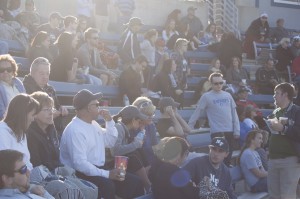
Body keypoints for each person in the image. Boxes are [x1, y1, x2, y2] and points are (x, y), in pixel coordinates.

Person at [60, 89, 144, 199]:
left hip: (97, 169)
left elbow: (110, 142)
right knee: (108, 185)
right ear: (89, 108)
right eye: (97, 104)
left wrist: (109, 121)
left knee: (135, 182)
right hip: (79, 174)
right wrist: (107, 174)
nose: (99, 107)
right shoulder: (75, 130)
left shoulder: (93, 124)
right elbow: (80, 164)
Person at [188, 72, 240, 166]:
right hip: (217, 131)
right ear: (211, 84)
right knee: (217, 158)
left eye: (221, 83)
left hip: (230, 130)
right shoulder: (206, 96)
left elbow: (234, 114)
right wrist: (189, 126)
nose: (219, 85)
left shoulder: (228, 95)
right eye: (216, 83)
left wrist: (237, 130)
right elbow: (197, 112)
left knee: (228, 157)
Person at [267, 82, 300, 199]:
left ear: (285, 95)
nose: (274, 96)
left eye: (276, 93)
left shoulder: (297, 111)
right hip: (273, 159)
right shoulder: (275, 112)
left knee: (287, 196)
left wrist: (283, 128)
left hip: (290, 160)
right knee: (274, 196)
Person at [23, 57, 68, 135]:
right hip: (34, 133)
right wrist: (51, 114)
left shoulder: (50, 89)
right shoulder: (24, 89)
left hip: (54, 130)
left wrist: (61, 109)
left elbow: (57, 106)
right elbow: (30, 115)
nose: (45, 77)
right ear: (32, 73)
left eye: (47, 73)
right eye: (42, 73)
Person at [111, 105, 151, 193]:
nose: (140, 123)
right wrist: (135, 144)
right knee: (133, 156)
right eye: (139, 121)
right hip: (110, 162)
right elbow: (115, 151)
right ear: (133, 120)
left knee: (138, 151)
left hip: (118, 160)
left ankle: (147, 183)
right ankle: (147, 185)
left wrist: (135, 143)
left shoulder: (124, 129)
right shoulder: (118, 127)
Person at [0, 94, 40, 170]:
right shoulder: (2, 132)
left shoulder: (21, 133)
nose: (33, 119)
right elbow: (5, 167)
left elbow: (27, 162)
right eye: (32, 115)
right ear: (22, 114)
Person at [26, 91, 60, 171]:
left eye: (51, 108)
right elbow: (36, 164)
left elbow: (56, 158)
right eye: (46, 110)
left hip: (56, 172)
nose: (51, 113)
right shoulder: (29, 134)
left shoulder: (51, 128)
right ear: (34, 113)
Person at [132, 96, 158, 165]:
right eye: (147, 114)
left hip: (151, 163)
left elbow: (155, 146)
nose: (151, 116)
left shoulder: (151, 126)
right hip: (137, 164)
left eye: (152, 113)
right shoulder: (130, 128)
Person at [0, 54, 25, 120]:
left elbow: (26, 102)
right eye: (1, 70)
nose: (5, 72)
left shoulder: (18, 83)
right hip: (9, 123)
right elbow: (2, 113)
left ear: (13, 70)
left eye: (9, 69)